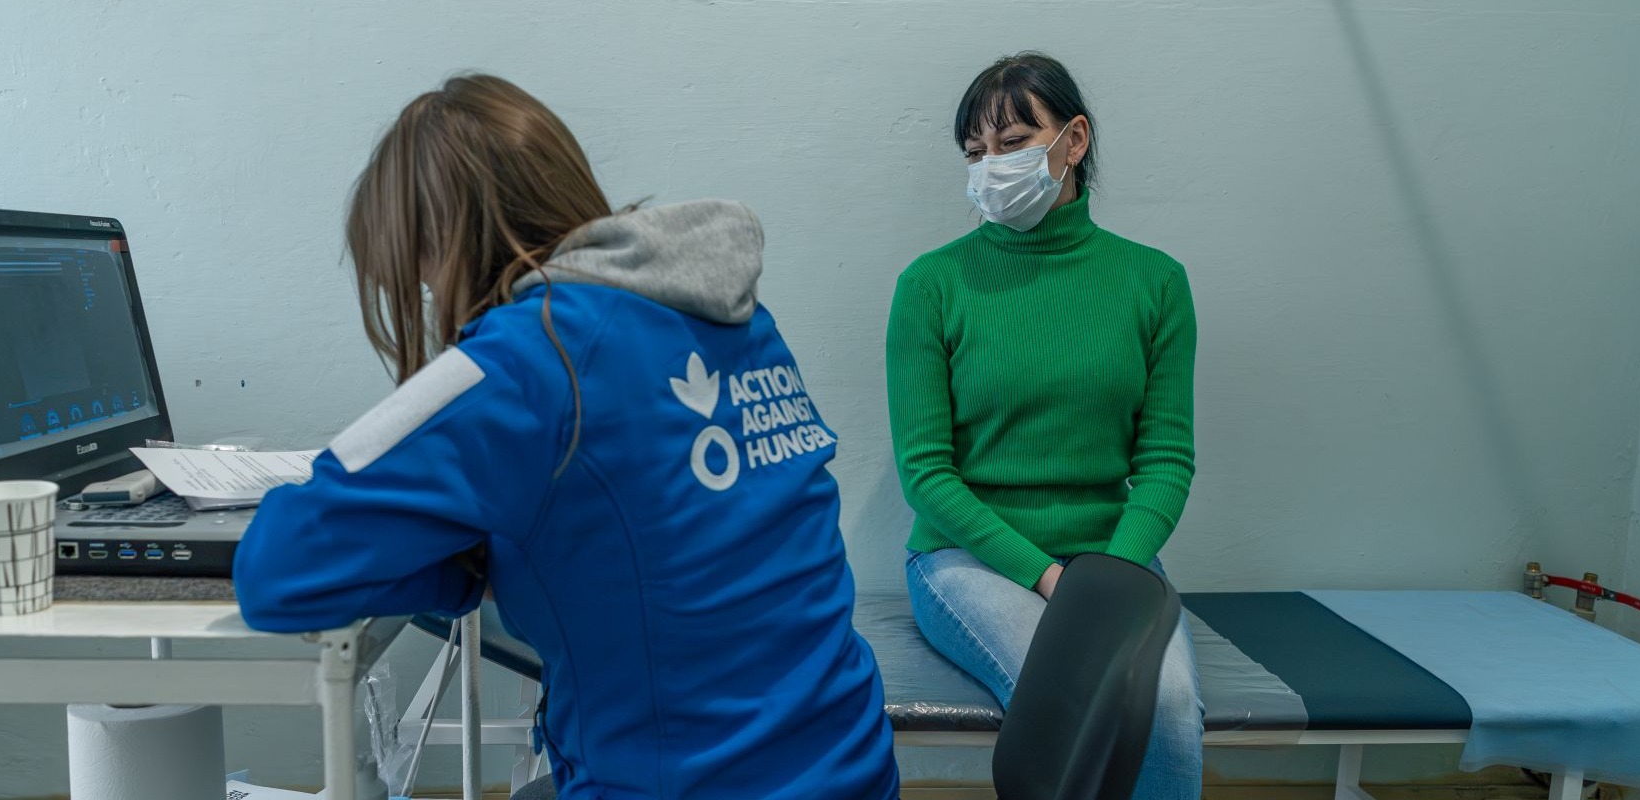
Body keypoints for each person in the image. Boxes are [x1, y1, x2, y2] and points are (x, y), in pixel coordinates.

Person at [233, 74, 899, 800]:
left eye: (417, 271)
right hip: (850, 763)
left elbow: (276, 572)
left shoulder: (526, 359)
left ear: (441, 246)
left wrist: (461, 573)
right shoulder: (735, 321)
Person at [887, 52, 1204, 798]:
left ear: (1075, 141)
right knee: (1077, 694)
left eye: (1013, 142)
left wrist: (1109, 577)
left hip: (1109, 563)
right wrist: (1048, 576)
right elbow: (926, 472)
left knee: (1162, 702)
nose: (991, 166)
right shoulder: (931, 286)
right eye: (976, 152)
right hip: (967, 557)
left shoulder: (1154, 282)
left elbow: (1165, 459)